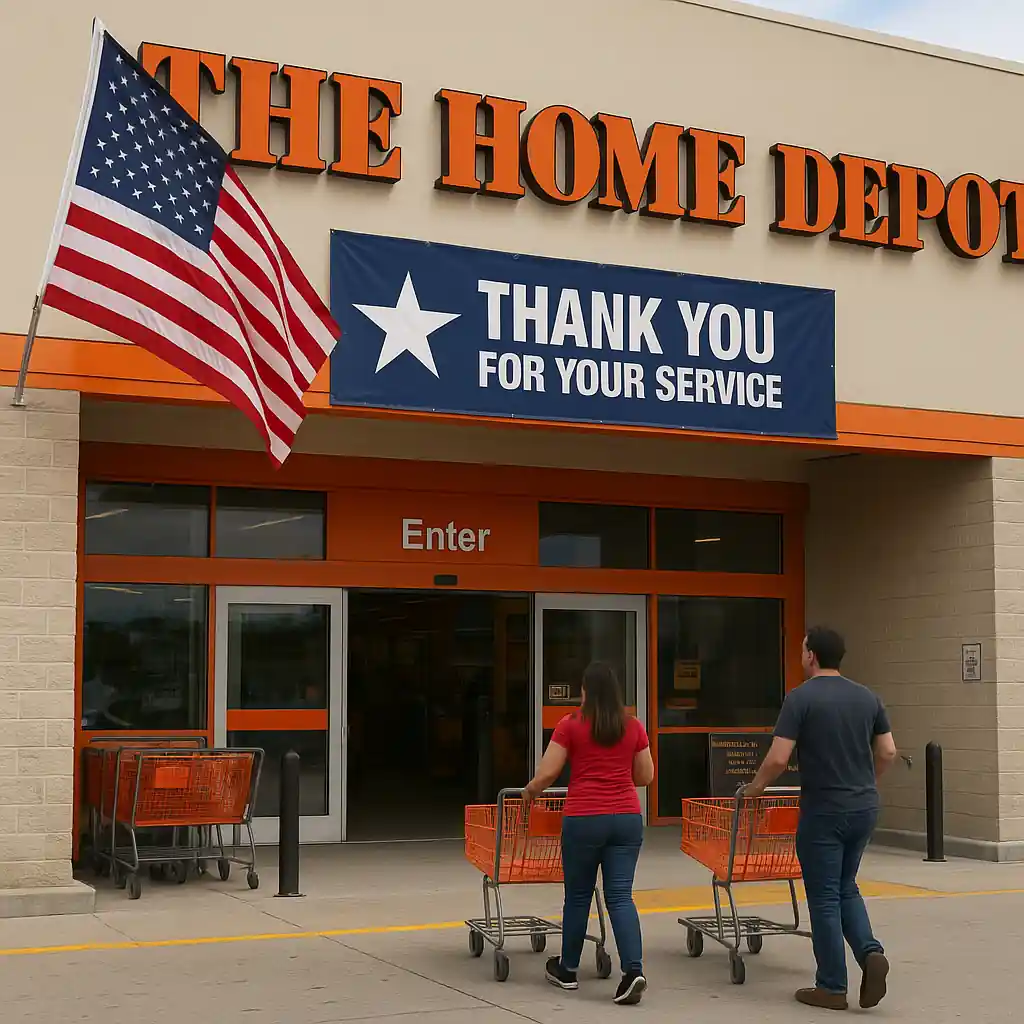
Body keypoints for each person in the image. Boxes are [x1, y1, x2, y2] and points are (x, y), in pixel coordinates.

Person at [744, 626, 897, 1011]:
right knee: (846, 887)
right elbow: (889, 752)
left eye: (802, 649)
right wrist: (867, 783)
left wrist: (755, 788)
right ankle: (869, 952)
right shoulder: (868, 697)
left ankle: (831, 985)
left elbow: (778, 758)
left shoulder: (800, 698)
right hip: (863, 806)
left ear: (811, 656)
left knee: (824, 897)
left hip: (823, 810)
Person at [524, 661, 655, 1006]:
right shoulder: (632, 726)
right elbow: (645, 776)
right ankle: (633, 971)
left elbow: (549, 771)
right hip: (626, 818)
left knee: (579, 896)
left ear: (585, 691)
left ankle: (567, 969)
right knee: (620, 896)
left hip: (584, 818)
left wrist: (531, 791)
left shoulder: (571, 724)